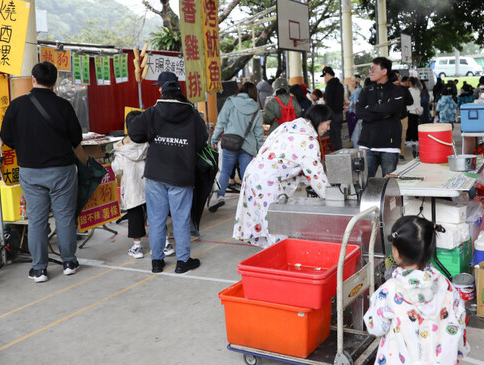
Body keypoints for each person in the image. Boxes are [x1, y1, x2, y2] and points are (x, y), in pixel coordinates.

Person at [364, 216, 469, 365]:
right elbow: (459, 325)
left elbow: (375, 327)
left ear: (396, 252)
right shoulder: (447, 287)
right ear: (430, 249)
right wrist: (458, 352)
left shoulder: (388, 292)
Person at [1, 61, 83, 283]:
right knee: (65, 217)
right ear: (55, 82)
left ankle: (39, 270)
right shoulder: (64, 106)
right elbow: (77, 138)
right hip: (62, 171)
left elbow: (6, 138)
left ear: (33, 79)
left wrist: (26, 148)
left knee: (36, 220)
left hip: (31, 171)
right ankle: (69, 262)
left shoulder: (17, 105)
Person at [129, 72, 208, 274]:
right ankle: (182, 262)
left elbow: (135, 133)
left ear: (162, 91)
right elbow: (202, 141)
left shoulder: (153, 112)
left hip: (156, 173)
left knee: (156, 218)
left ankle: (157, 261)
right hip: (181, 174)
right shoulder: (192, 114)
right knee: (180, 218)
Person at [233, 105, 333, 247]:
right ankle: (279, 258)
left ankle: (272, 253)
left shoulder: (289, 127)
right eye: (327, 124)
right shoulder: (308, 140)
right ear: (320, 120)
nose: (328, 128)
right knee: (277, 224)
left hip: (254, 172)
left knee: (266, 221)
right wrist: (332, 197)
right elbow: (316, 176)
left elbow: (290, 161)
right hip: (266, 180)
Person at [112, 111, 175, 260]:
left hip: (132, 188)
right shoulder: (149, 143)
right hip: (151, 184)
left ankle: (137, 247)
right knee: (157, 215)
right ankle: (165, 244)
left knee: (135, 215)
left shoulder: (120, 148)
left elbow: (117, 169)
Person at [209, 82, 264, 212]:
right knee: (246, 174)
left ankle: (220, 197)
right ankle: (249, 201)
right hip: (248, 146)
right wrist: (261, 150)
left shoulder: (230, 102)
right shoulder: (255, 108)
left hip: (230, 143)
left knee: (225, 171)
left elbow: (221, 122)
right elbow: (258, 132)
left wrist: (214, 139)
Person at [356, 57, 408, 177]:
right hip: (367, 145)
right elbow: (359, 112)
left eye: (373, 69)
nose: (370, 72)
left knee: (389, 185)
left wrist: (369, 108)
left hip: (389, 147)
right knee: (365, 184)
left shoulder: (397, 90)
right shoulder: (366, 90)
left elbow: (390, 109)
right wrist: (383, 112)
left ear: (384, 71)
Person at [322, 66, 345, 152]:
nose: (324, 78)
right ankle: (341, 155)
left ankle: (338, 158)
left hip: (332, 116)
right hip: (340, 115)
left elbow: (329, 103)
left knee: (334, 139)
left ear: (327, 74)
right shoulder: (340, 85)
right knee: (338, 137)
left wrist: (326, 116)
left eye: (324, 76)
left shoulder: (329, 86)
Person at [405, 77, 423, 154]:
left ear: (410, 83)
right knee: (415, 126)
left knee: (409, 126)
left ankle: (409, 140)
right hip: (416, 111)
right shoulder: (418, 90)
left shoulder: (410, 91)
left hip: (410, 110)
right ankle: (415, 139)